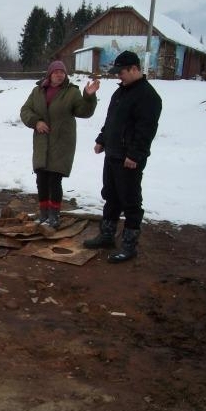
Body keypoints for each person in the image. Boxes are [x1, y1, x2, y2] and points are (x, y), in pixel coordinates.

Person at [83, 51, 162, 263]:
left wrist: (135, 155)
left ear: (135, 69)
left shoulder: (148, 96)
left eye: (122, 72)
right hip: (113, 154)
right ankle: (107, 235)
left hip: (129, 158)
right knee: (111, 195)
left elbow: (145, 131)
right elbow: (111, 121)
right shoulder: (120, 93)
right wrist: (102, 139)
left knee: (131, 201)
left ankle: (129, 245)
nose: (119, 76)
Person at [20, 60, 100, 228]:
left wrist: (89, 96)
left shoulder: (71, 92)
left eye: (62, 72)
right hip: (42, 142)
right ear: (50, 74)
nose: (59, 75)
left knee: (54, 179)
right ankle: (43, 214)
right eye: (56, 72)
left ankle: (54, 216)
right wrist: (36, 122)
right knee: (41, 179)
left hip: (61, 142)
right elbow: (25, 111)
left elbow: (84, 112)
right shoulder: (38, 91)